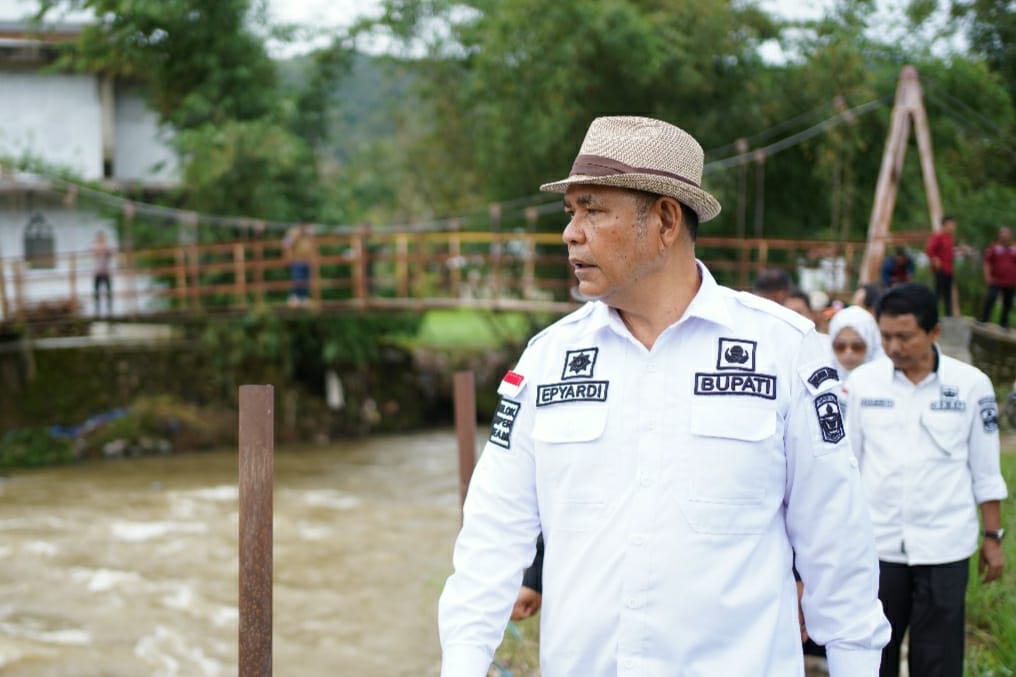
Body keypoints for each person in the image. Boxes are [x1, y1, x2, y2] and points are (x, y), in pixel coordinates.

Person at [438, 116, 889, 676]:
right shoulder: (546, 362)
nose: (571, 233)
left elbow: (838, 548)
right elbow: (492, 536)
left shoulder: (784, 351)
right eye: (571, 211)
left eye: (593, 210)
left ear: (666, 220)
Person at [844, 283, 1007, 677]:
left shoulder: (971, 386)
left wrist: (992, 537)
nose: (893, 347)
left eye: (905, 336)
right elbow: (847, 469)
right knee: (874, 653)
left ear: (934, 332)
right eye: (885, 337)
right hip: (878, 546)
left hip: (944, 546)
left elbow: (986, 470)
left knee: (938, 659)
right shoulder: (863, 385)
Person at [828, 305, 883, 382]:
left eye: (857, 346)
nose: (848, 353)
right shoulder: (825, 382)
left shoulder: (883, 381)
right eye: (840, 346)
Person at [978, 226, 1016, 329]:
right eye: (1001, 233)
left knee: (1007, 303)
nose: (1003, 235)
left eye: (1005, 233)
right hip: (996, 280)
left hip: (1011, 281)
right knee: (990, 299)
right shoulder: (993, 247)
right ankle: (984, 319)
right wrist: (987, 276)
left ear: (1010, 235)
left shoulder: (1014, 248)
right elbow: (987, 262)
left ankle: (1004, 323)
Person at [926, 216, 957, 316]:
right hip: (940, 270)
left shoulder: (951, 238)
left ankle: (949, 316)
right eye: (950, 225)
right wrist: (935, 259)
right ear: (944, 225)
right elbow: (929, 249)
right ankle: (932, 314)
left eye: (953, 225)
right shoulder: (938, 236)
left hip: (949, 270)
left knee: (948, 294)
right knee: (937, 293)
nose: (952, 227)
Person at [282, 221, 316, 306]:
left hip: (307, 260)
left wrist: (313, 257)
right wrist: (288, 257)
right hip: (298, 260)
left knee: (306, 280)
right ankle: (294, 297)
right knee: (297, 279)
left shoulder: (309, 233)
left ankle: (303, 298)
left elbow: (313, 245)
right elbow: (286, 244)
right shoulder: (294, 232)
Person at [92, 231, 114, 317]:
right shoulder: (95, 247)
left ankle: (109, 310)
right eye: (99, 238)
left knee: (108, 291)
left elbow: (110, 253)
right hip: (97, 272)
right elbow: (93, 251)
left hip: (106, 272)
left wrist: (104, 249)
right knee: (96, 291)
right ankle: (97, 310)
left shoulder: (106, 247)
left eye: (102, 238)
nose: (101, 240)